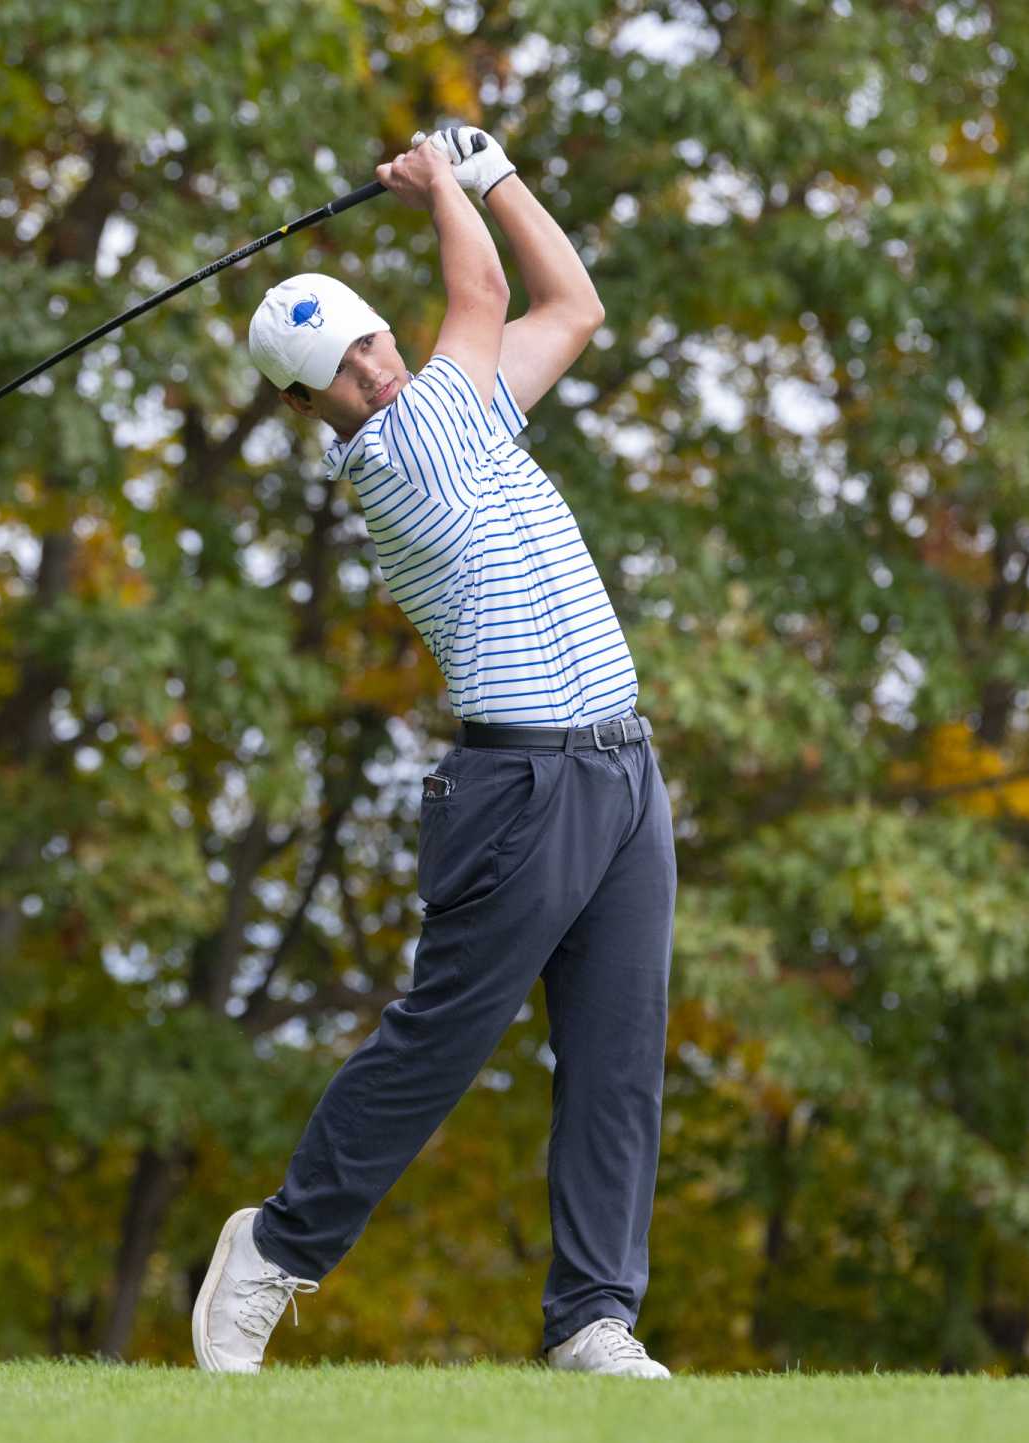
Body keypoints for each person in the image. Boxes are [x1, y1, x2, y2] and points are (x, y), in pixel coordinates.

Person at [191, 126, 676, 1379]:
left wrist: (499, 175)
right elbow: (487, 293)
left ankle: (591, 1318)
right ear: (310, 410)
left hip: (623, 773)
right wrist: (450, 182)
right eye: (340, 372)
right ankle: (273, 1250)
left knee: (618, 1052)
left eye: (369, 341)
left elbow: (572, 302)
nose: (372, 371)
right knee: (440, 1040)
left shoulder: (456, 409)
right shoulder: (402, 452)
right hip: (518, 785)